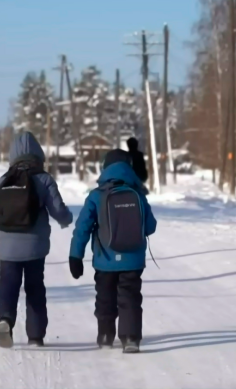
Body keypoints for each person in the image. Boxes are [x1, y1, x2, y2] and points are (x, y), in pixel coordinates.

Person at [0, 131, 73, 348]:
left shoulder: (4, 181)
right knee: (35, 288)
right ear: (39, 154)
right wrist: (67, 219)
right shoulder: (44, 179)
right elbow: (58, 210)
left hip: (7, 248)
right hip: (35, 247)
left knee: (8, 285)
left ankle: (4, 319)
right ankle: (35, 336)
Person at [68, 149, 157, 353]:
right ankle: (131, 338)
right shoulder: (138, 194)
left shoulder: (96, 196)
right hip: (133, 260)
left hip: (104, 260)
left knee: (105, 297)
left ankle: (106, 335)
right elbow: (150, 226)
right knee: (130, 297)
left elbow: (82, 227)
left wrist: (76, 256)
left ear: (105, 168)